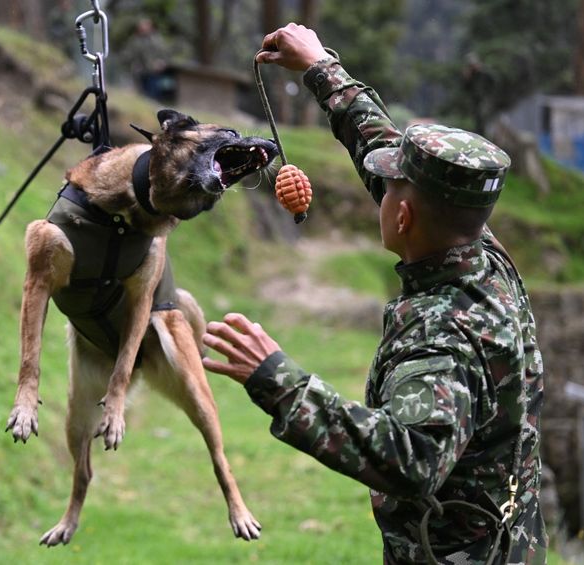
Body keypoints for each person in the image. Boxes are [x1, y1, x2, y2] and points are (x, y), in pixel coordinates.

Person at [201, 24, 546, 564]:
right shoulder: (483, 252)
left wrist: (279, 381)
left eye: (389, 187)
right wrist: (320, 68)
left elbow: (411, 460)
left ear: (403, 216)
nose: (379, 187)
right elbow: (382, 146)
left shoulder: (439, 333)